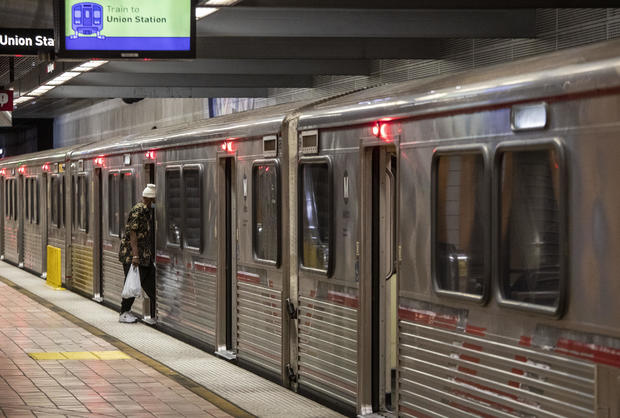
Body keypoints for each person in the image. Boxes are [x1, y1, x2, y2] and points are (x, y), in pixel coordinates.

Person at [118, 183, 157, 324]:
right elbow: (132, 232)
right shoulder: (138, 210)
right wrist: (135, 255)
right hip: (132, 255)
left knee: (150, 283)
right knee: (132, 283)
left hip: (144, 256)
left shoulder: (146, 210)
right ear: (150, 199)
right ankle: (124, 313)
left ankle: (156, 313)